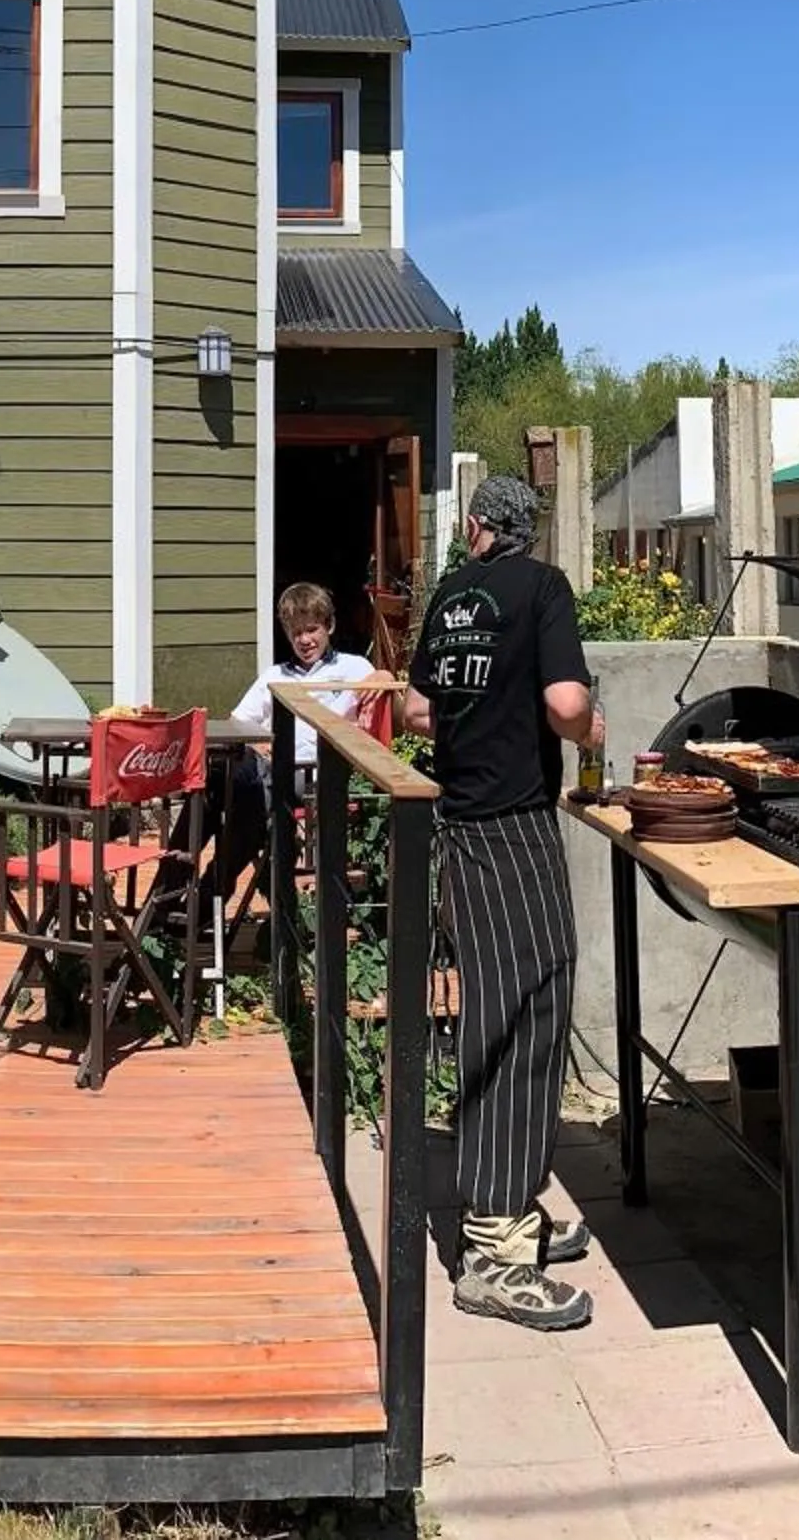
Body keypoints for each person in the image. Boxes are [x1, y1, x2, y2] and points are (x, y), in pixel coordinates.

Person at [399, 476, 603, 1333]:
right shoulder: (543, 587)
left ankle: (507, 1218)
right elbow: (564, 704)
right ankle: (492, 1252)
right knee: (527, 1018)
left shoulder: (449, 596)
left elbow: (415, 711)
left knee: (495, 1012)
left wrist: (473, 724)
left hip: (456, 827)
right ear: (528, 532)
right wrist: (586, 729)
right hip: (514, 829)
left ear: (478, 528)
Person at [218, 581, 380, 896]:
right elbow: (237, 723)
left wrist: (384, 676)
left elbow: (384, 696)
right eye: (296, 633)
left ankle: (199, 890)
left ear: (329, 625)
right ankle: (212, 884)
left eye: (311, 629)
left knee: (229, 798)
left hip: (319, 775)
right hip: (275, 774)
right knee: (222, 783)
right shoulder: (276, 674)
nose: (304, 640)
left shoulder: (354, 667)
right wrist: (260, 747)